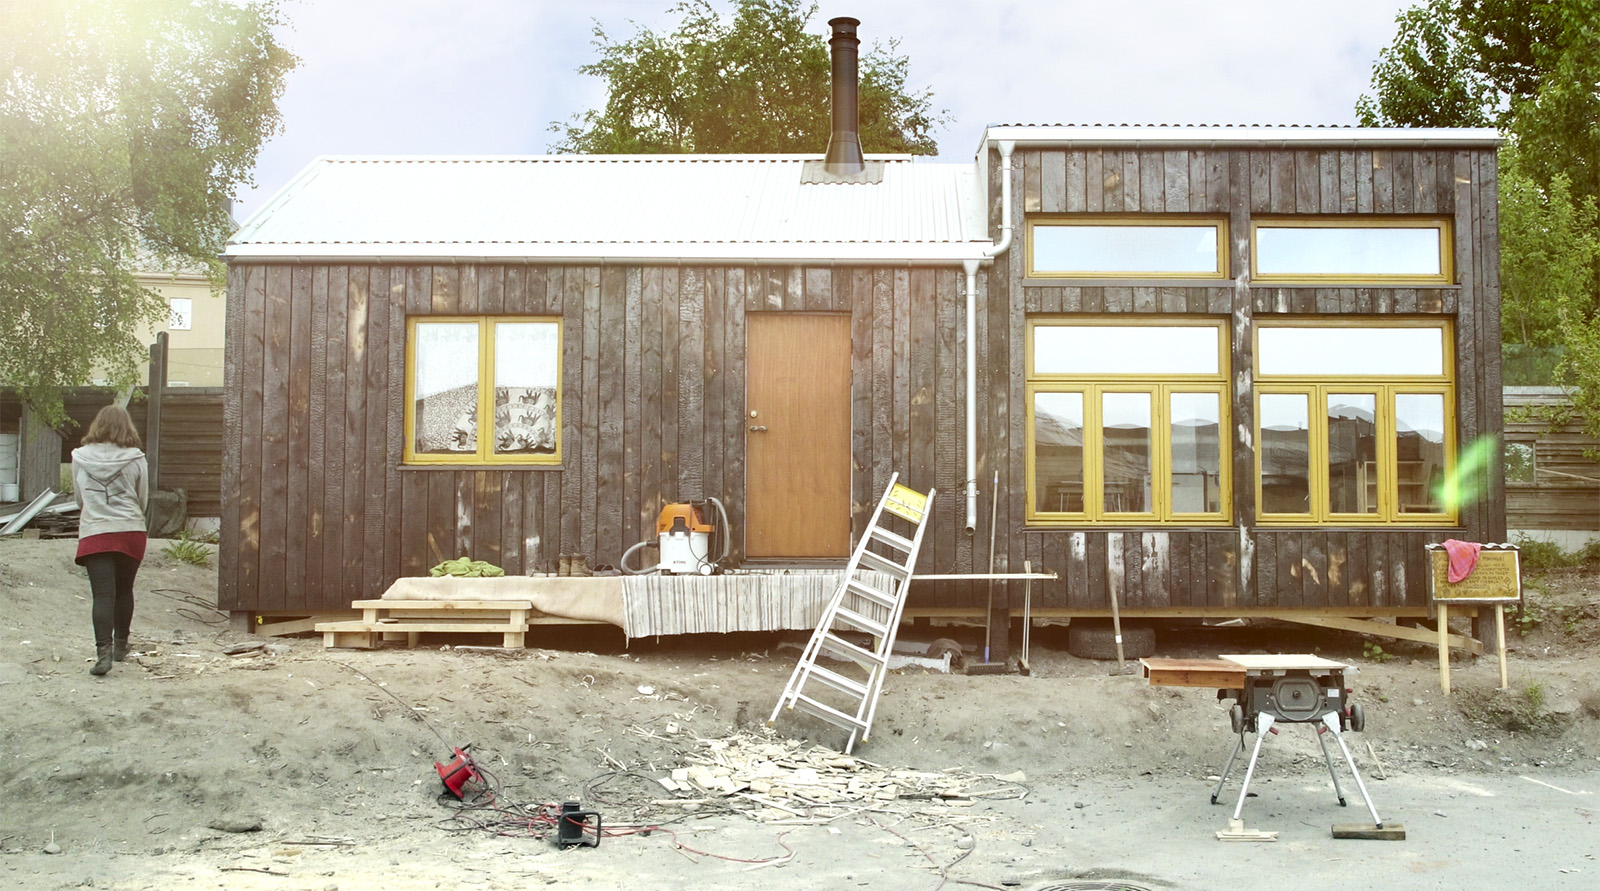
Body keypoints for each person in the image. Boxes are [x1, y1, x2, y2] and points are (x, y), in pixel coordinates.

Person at [72, 404, 150, 677]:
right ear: (126, 426)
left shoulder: (80, 458)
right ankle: (121, 646)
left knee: (102, 594)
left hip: (95, 531)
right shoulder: (136, 457)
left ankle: (102, 653)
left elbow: (79, 498)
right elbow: (143, 498)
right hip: (130, 530)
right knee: (124, 590)